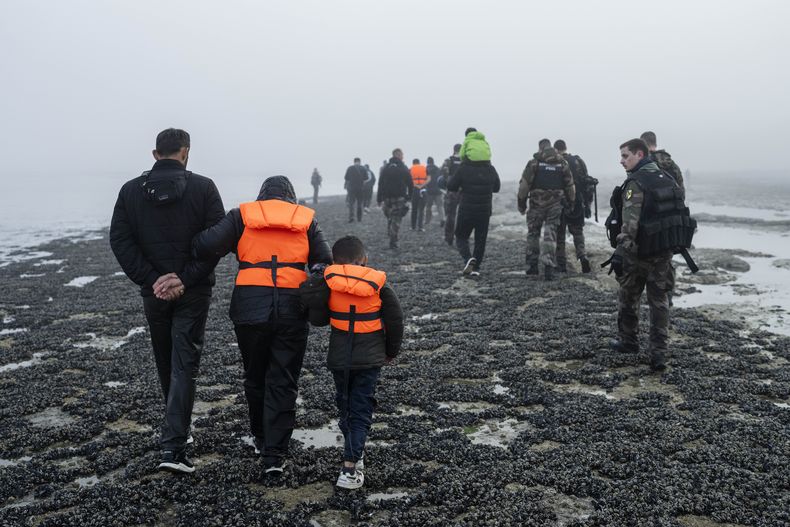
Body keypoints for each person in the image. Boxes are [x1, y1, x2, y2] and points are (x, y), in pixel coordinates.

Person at [192, 176, 332, 476]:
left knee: (255, 376)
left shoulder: (241, 216)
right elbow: (324, 262)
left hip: (249, 308)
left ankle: (259, 437)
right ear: (291, 197)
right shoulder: (306, 219)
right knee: (283, 379)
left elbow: (206, 244)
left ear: (262, 196)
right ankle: (275, 455)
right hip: (293, 309)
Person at [110, 128, 225, 473]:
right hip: (193, 289)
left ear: (155, 153)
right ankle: (173, 449)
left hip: (155, 292)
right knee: (183, 362)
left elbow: (120, 240)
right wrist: (185, 277)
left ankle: (178, 433)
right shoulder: (204, 187)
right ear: (186, 151)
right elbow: (216, 240)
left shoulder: (130, 191)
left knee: (167, 360)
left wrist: (152, 279)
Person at [301, 235, 403, 490]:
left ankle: (353, 452)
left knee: (345, 405)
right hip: (369, 361)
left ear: (336, 261)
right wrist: (391, 351)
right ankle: (350, 465)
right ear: (364, 259)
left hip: (339, 359)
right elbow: (395, 320)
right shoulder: (380, 285)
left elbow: (319, 320)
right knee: (361, 409)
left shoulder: (329, 284)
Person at [606, 138, 692, 371]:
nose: (621, 161)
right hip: (664, 250)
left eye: (626, 156)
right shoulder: (668, 178)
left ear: (640, 155)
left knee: (628, 295)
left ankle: (629, 341)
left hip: (640, 252)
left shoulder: (636, 183)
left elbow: (630, 225)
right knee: (659, 302)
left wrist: (620, 252)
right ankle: (659, 355)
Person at [517, 139, 575, 281]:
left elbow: (524, 186)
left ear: (540, 148)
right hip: (555, 204)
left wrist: (521, 204)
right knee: (551, 233)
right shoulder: (562, 163)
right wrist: (571, 202)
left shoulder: (534, 163)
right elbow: (570, 186)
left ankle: (532, 266)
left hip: (536, 204)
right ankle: (548, 265)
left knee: (533, 233)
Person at [447, 135, 501, 277]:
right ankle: (476, 268)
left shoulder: (463, 168)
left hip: (467, 209)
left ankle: (467, 258)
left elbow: (451, 186)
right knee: (480, 239)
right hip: (484, 210)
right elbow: (497, 188)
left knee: (460, 236)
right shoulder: (490, 168)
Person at [553, 140, 593, 274]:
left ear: (556, 149)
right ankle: (583, 256)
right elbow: (586, 183)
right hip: (577, 202)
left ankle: (561, 265)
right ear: (565, 148)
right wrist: (587, 204)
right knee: (577, 232)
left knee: (560, 235)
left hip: (560, 203)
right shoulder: (578, 161)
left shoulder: (555, 162)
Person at [377, 149, 413, 250]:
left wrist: (379, 198)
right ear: (399, 155)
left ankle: (391, 230)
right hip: (399, 197)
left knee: (391, 216)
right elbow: (410, 183)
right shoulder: (403, 167)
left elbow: (380, 183)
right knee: (396, 218)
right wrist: (410, 196)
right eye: (402, 155)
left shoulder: (386, 167)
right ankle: (393, 240)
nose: (403, 156)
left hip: (387, 198)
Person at [440, 144, 463, 245]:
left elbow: (443, 171)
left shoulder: (449, 160)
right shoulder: (465, 160)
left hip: (452, 191)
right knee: (463, 215)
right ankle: (462, 237)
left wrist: (447, 181)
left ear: (453, 150)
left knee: (450, 215)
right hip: (463, 190)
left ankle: (449, 238)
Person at [344, 157, 367, 223]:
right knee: (359, 203)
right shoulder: (363, 168)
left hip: (351, 188)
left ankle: (351, 217)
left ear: (354, 162)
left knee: (351, 203)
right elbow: (366, 179)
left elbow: (346, 178)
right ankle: (359, 218)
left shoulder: (350, 168)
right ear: (360, 161)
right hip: (360, 189)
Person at [423, 156, 444, 227]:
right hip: (438, 190)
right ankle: (442, 219)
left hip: (429, 191)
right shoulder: (438, 169)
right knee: (440, 206)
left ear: (427, 162)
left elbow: (424, 180)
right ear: (433, 162)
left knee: (428, 206)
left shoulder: (425, 169)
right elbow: (441, 179)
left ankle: (427, 221)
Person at [409, 158, 428, 231]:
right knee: (421, 210)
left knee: (414, 209)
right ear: (419, 163)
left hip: (414, 190)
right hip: (423, 189)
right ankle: (420, 227)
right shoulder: (424, 168)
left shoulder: (410, 169)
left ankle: (413, 226)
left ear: (413, 163)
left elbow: (408, 181)